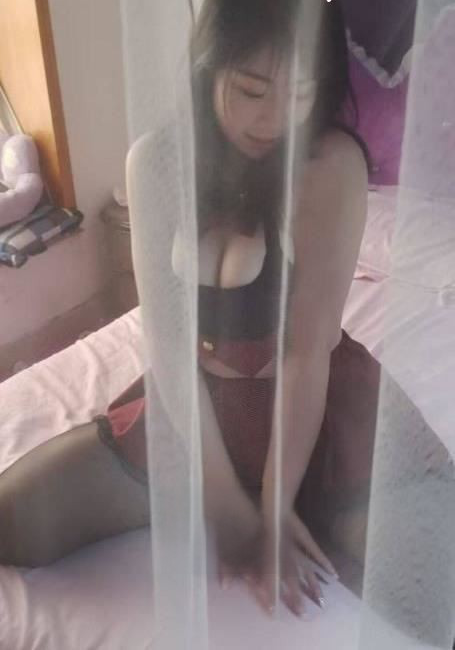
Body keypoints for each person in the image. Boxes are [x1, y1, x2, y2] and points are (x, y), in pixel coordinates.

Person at [0, 0, 450, 620]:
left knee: (432, 586)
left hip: (314, 413)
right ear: (209, 68)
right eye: (251, 90)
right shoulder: (156, 162)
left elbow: (307, 352)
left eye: (300, 93)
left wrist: (273, 508)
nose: (275, 118)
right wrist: (226, 506)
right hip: (198, 412)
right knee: (15, 523)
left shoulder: (330, 165)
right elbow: (169, 345)